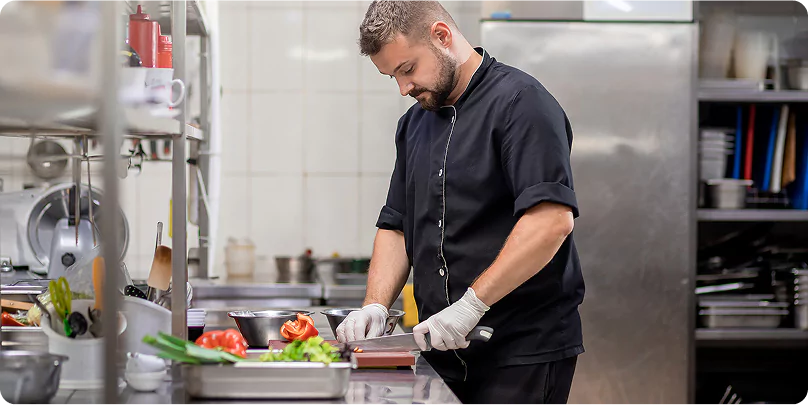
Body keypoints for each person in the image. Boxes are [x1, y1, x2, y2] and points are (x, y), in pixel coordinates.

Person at [335, 1, 585, 404]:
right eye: (392, 76)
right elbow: (397, 225)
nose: (404, 89)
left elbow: (550, 221)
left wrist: (471, 306)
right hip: (442, 353)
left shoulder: (522, 104)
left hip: (520, 353)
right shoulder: (414, 124)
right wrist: (375, 307)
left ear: (441, 36)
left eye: (407, 69)